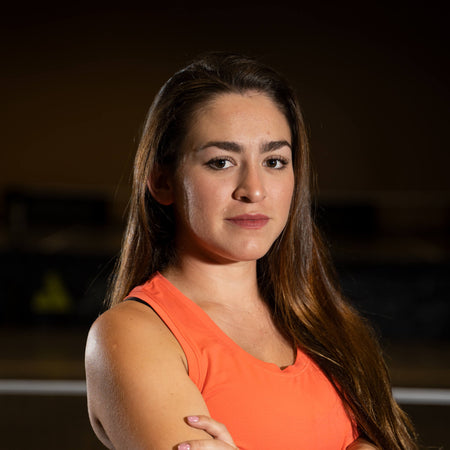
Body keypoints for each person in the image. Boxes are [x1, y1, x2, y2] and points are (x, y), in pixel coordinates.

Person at [85, 52, 417, 449]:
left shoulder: (328, 325)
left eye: (275, 161)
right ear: (162, 181)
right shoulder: (131, 336)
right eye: (221, 162)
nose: (254, 190)